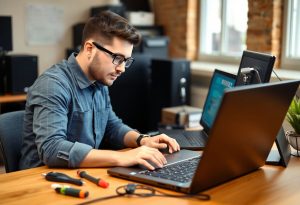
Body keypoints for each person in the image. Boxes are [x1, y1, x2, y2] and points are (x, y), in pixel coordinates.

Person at [19, 11, 180, 171]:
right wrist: (123, 157)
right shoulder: (52, 85)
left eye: (126, 60)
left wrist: (142, 140)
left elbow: (111, 126)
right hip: (41, 181)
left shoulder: (99, 80)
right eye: (117, 58)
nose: (122, 68)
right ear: (90, 49)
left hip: (81, 173)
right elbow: (52, 149)